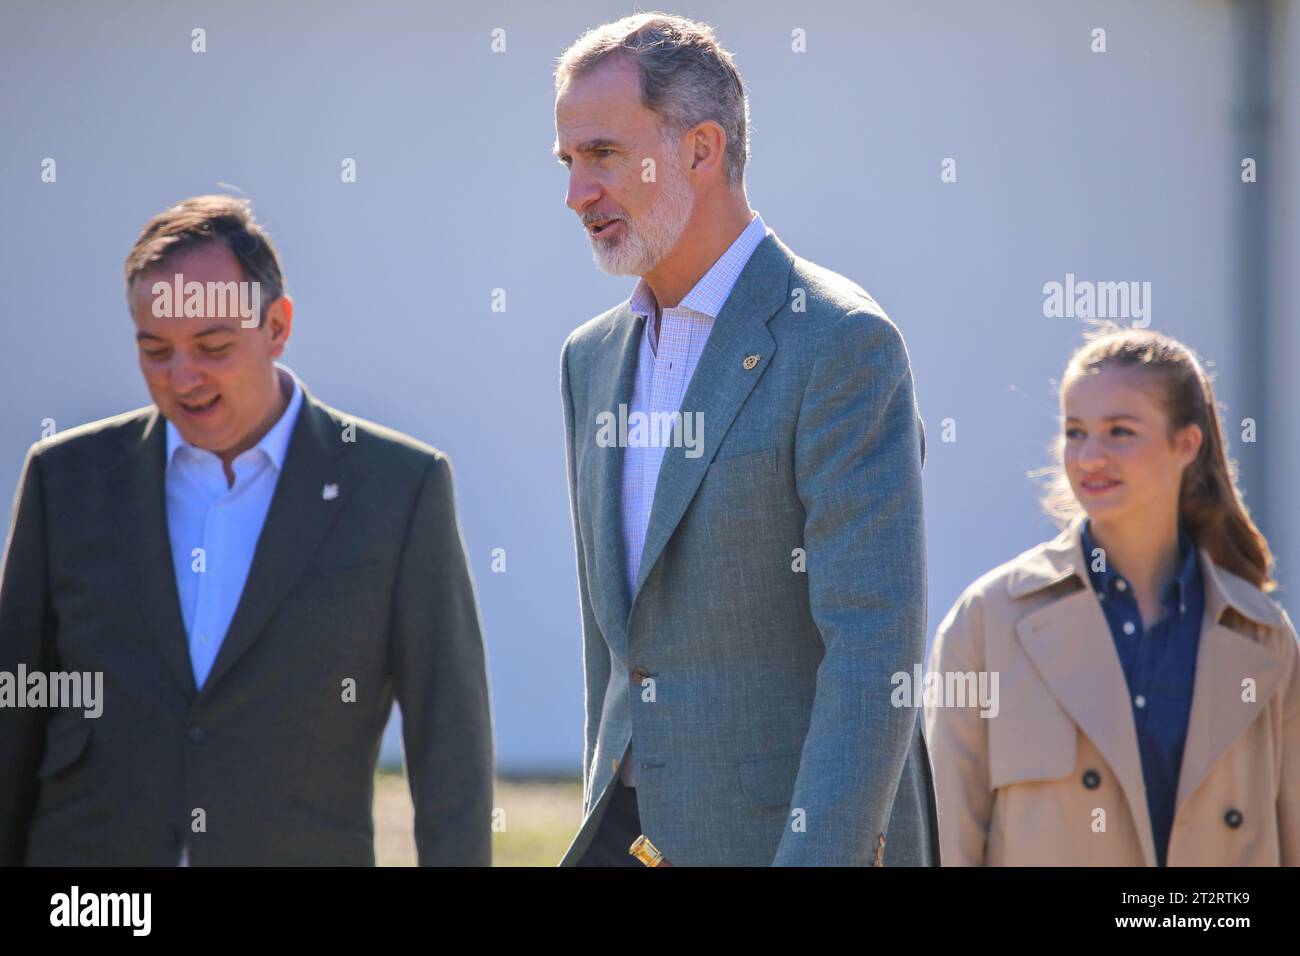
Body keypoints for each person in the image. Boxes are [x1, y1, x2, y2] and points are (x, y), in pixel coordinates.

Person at [0, 195, 494, 865]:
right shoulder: (65, 480)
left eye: (213, 346)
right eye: (156, 350)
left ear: (278, 326)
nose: (182, 378)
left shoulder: (399, 488)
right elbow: (14, 712)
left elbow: (451, 741)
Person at [554, 13, 937, 866]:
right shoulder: (590, 360)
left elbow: (875, 648)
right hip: (625, 840)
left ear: (700, 150)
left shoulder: (841, 343)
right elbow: (613, 640)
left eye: (605, 155)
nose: (577, 194)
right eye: (569, 162)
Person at [927, 327, 1299, 865]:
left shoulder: (1263, 634)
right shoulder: (987, 621)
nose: (1090, 457)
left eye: (1120, 431)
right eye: (1075, 432)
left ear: (1186, 444)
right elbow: (942, 844)